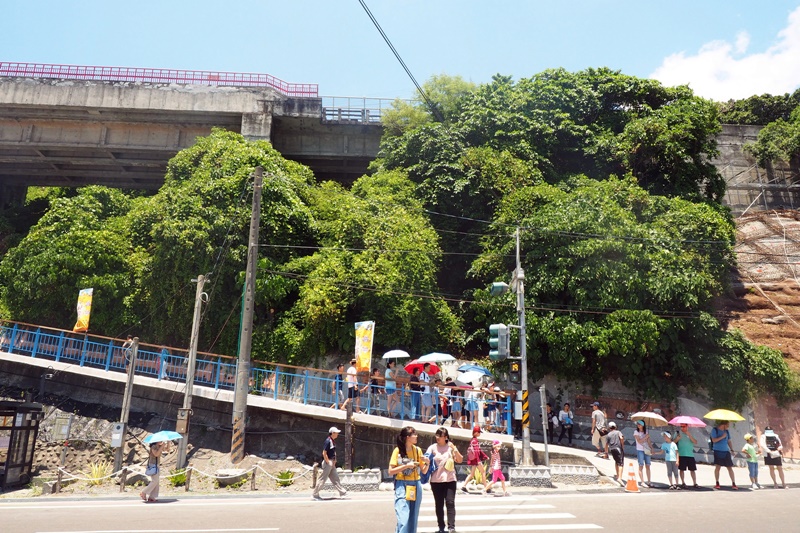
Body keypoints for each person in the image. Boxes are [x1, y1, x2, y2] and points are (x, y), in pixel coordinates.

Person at [389, 426, 430, 533]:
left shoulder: (417, 450)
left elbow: (424, 471)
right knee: (403, 518)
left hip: (416, 485)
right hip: (402, 485)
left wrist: (428, 462)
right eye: (414, 434)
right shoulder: (397, 451)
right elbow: (391, 471)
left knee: (413, 518)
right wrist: (407, 466)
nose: (416, 436)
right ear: (408, 437)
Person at [426, 427, 463, 533]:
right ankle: (441, 527)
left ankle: (451, 527)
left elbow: (460, 460)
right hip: (436, 480)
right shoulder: (432, 448)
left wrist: (455, 449)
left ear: (445, 437)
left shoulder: (451, 447)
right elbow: (426, 458)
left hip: (450, 479)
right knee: (439, 504)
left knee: (450, 503)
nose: (437, 438)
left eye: (440, 436)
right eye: (436, 435)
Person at [312, 426, 348, 500]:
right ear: (332, 433)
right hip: (328, 462)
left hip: (331, 462)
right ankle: (315, 494)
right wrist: (328, 461)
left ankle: (342, 493)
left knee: (335, 478)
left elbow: (333, 452)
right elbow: (324, 452)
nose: (337, 434)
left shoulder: (332, 441)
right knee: (323, 479)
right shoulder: (328, 441)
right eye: (336, 433)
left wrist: (334, 460)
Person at [461, 424, 488, 493]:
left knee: (472, 474)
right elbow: (477, 452)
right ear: (476, 433)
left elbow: (478, 451)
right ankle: (486, 488)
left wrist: (484, 456)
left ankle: (464, 486)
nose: (479, 434)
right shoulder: (475, 441)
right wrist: (479, 460)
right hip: (476, 460)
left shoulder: (472, 440)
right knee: (483, 472)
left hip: (474, 460)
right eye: (479, 432)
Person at [711, 421, 738, 490]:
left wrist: (732, 450)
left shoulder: (727, 431)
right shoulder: (715, 430)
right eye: (727, 425)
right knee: (718, 467)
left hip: (726, 451)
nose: (728, 426)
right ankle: (717, 482)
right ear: (723, 424)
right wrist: (722, 437)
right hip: (717, 451)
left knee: (729, 467)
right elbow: (714, 440)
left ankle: (733, 483)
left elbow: (729, 441)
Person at [673, 423, 699, 489]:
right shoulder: (677, 433)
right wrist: (677, 439)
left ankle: (695, 483)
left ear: (687, 427)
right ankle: (683, 482)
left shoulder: (690, 433)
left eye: (684, 426)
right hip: (681, 454)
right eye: (681, 426)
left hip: (690, 454)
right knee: (682, 469)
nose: (682, 428)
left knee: (692, 469)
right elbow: (672, 442)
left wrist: (689, 435)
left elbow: (695, 442)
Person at [633, 420, 653, 487]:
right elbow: (639, 441)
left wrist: (652, 448)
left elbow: (649, 441)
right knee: (641, 465)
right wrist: (646, 437)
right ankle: (642, 481)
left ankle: (649, 481)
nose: (638, 425)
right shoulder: (636, 432)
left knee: (648, 465)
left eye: (640, 424)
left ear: (643, 425)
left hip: (646, 449)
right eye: (638, 424)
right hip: (640, 450)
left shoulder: (646, 432)